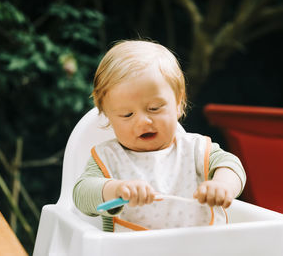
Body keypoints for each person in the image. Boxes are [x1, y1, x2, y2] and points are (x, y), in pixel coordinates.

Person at [73, 40, 246, 232]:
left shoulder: (195, 149)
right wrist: (115, 189)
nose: (143, 122)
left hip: (201, 248)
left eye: (154, 109)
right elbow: (82, 194)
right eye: (127, 115)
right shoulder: (108, 158)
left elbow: (232, 165)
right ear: (108, 116)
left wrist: (222, 184)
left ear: (179, 103)